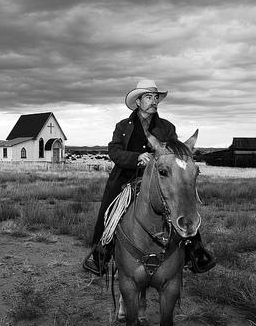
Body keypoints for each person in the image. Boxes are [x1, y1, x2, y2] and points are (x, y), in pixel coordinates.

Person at [82, 79, 216, 275]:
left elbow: (173, 152)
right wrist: (137, 157)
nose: (154, 101)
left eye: (156, 97)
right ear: (138, 101)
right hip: (127, 178)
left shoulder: (167, 127)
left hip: (159, 176)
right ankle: (101, 253)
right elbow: (115, 151)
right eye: (148, 97)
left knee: (182, 201)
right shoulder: (123, 126)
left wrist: (156, 159)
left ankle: (195, 250)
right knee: (110, 209)